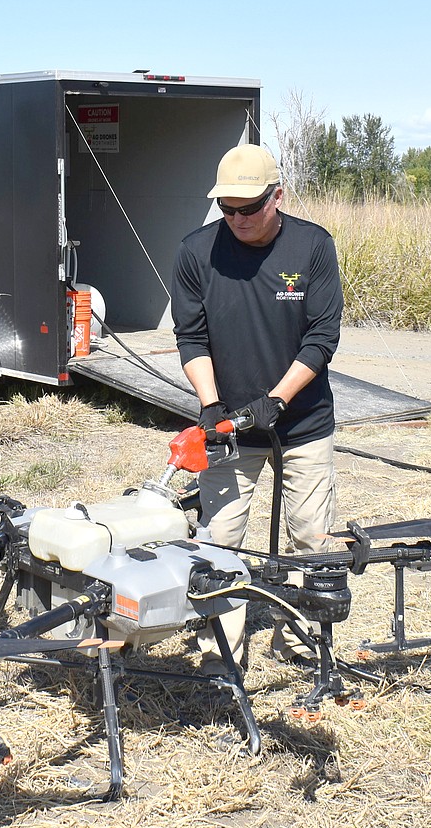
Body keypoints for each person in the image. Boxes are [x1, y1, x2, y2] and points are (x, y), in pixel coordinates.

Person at [170, 143, 343, 674]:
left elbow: (321, 337)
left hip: (303, 420)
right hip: (229, 427)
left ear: (277, 196)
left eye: (250, 207)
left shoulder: (312, 247)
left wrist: (277, 399)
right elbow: (191, 338)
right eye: (228, 208)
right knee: (220, 540)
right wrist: (211, 404)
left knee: (311, 536)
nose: (238, 219)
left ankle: (305, 641)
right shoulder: (197, 253)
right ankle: (223, 659)